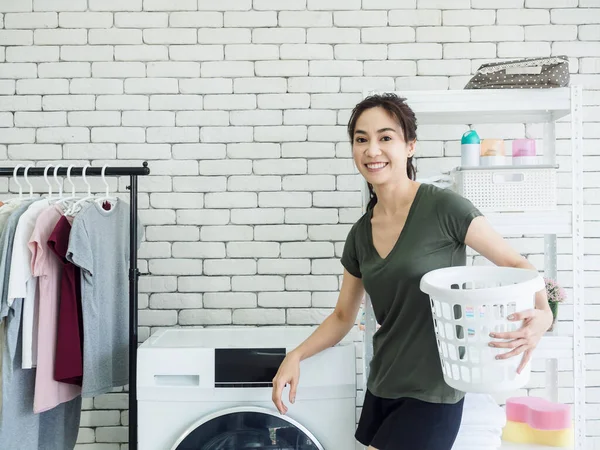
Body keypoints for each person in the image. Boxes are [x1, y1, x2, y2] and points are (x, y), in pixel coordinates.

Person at [271, 93, 554, 450]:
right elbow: (344, 316)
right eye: (362, 139)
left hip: (434, 392)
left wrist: (543, 314)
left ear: (410, 146)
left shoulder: (444, 208)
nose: (372, 150)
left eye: (385, 137)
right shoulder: (360, 234)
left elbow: (516, 265)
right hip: (384, 384)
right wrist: (294, 357)